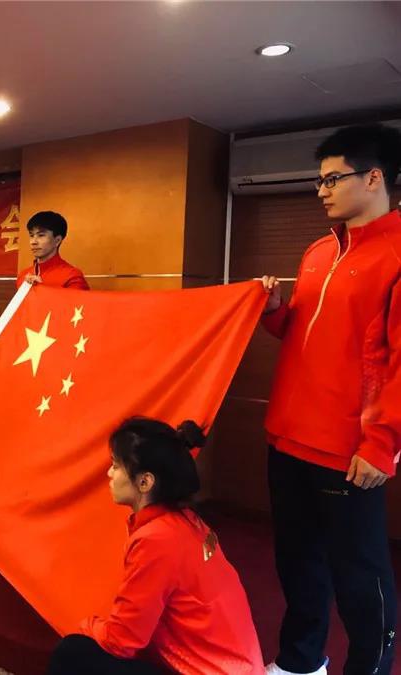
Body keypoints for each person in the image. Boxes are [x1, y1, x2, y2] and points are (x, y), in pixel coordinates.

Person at [259, 123, 400, 675]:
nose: (321, 190)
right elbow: (301, 332)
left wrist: (382, 443)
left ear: (374, 178)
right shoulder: (319, 250)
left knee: (359, 578)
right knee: (297, 564)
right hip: (287, 437)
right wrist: (274, 311)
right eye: (319, 180)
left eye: (332, 179)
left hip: (348, 451)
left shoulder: (396, 255)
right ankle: (301, 662)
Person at [47, 417, 264, 675]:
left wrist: (86, 626)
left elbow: (122, 640)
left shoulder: (156, 540)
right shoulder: (187, 521)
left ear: (145, 482)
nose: (109, 474)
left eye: (115, 466)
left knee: (72, 652)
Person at [16, 211, 89, 290]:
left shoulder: (72, 277)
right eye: (31, 235)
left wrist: (41, 290)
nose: (33, 242)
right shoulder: (23, 276)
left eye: (41, 235)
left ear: (57, 240)